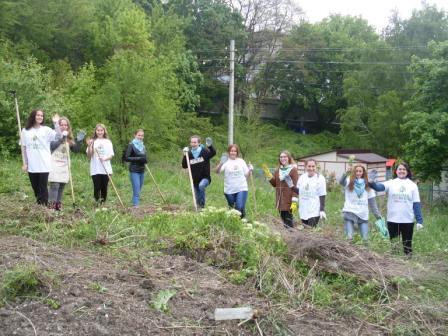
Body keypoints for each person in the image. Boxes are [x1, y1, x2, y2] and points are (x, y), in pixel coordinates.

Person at [369, 162, 423, 256]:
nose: (401, 171)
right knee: (394, 245)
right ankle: (395, 264)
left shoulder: (412, 185)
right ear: (396, 171)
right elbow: (378, 188)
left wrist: (419, 221)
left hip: (407, 220)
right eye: (399, 169)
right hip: (393, 219)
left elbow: (416, 204)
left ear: (407, 171)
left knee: (407, 245)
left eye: (404, 169)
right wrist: (371, 182)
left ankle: (408, 262)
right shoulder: (391, 183)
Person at [20, 109, 57, 205]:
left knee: (43, 187)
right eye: (38, 115)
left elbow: (58, 136)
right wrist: (25, 163)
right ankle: (40, 205)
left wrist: (56, 123)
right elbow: (23, 148)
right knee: (35, 188)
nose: (40, 117)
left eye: (41, 115)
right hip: (32, 165)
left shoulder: (46, 130)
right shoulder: (25, 131)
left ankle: (44, 209)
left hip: (44, 164)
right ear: (33, 116)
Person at [339, 165, 382, 242]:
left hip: (363, 214)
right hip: (350, 212)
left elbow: (372, 203)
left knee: (365, 240)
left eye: (360, 171)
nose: (358, 173)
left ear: (363, 173)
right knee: (349, 238)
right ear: (354, 172)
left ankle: (364, 253)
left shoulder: (368, 185)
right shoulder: (349, 181)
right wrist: (345, 173)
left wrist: (378, 216)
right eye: (356, 171)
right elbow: (341, 182)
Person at [48, 115, 80, 211]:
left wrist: (79, 141)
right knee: (55, 185)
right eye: (61, 125)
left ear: (68, 127)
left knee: (62, 185)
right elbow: (52, 146)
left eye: (66, 125)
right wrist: (62, 138)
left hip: (64, 165)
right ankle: (51, 206)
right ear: (58, 126)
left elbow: (76, 150)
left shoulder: (69, 139)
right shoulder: (54, 135)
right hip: (54, 163)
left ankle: (58, 205)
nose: (64, 126)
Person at [215, 144, 253, 218]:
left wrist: (250, 169)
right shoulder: (225, 162)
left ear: (237, 152)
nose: (233, 153)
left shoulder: (241, 161)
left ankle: (242, 223)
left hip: (241, 188)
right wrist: (221, 163)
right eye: (231, 151)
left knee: (238, 207)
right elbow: (217, 171)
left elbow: (246, 174)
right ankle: (241, 217)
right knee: (233, 208)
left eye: (235, 151)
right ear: (229, 152)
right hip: (229, 190)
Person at [263, 150, 299, 228]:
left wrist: (294, 201)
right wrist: (268, 175)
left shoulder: (293, 170)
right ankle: (288, 237)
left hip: (289, 200)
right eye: (281, 157)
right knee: (284, 220)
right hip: (280, 200)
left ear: (289, 158)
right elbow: (275, 184)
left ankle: (291, 237)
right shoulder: (278, 170)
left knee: (288, 221)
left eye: (285, 157)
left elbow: (295, 186)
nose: (283, 158)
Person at [182, 135, 216, 209]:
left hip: (205, 178)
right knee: (197, 200)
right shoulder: (189, 154)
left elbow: (213, 153)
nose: (193, 144)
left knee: (201, 186)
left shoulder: (204, 151)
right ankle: (199, 210)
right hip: (195, 180)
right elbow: (184, 165)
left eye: (195, 142)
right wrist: (185, 155)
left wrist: (210, 146)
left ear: (199, 143)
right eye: (192, 142)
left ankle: (202, 207)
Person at [293, 159, 327, 227]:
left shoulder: (320, 178)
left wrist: (322, 210)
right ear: (305, 167)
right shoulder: (302, 177)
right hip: (303, 210)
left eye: (313, 166)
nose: (311, 168)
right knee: (306, 233)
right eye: (309, 166)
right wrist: (291, 186)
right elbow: (299, 191)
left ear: (316, 167)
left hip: (314, 211)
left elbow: (322, 195)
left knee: (311, 230)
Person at [86, 124, 114, 203]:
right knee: (97, 187)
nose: (100, 132)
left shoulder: (108, 142)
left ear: (104, 131)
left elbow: (111, 155)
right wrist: (89, 146)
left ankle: (103, 204)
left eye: (101, 130)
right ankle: (97, 204)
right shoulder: (92, 141)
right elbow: (89, 156)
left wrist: (105, 158)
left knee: (104, 188)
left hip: (106, 169)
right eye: (98, 130)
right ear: (95, 131)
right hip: (95, 169)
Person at [123, 129, 147, 208]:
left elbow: (144, 157)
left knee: (139, 188)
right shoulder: (131, 145)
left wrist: (145, 160)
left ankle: (134, 201)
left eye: (142, 135)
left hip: (142, 170)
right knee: (136, 188)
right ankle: (136, 205)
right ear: (135, 135)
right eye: (139, 135)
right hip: (134, 170)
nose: (140, 137)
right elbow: (126, 158)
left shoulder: (143, 146)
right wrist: (139, 159)